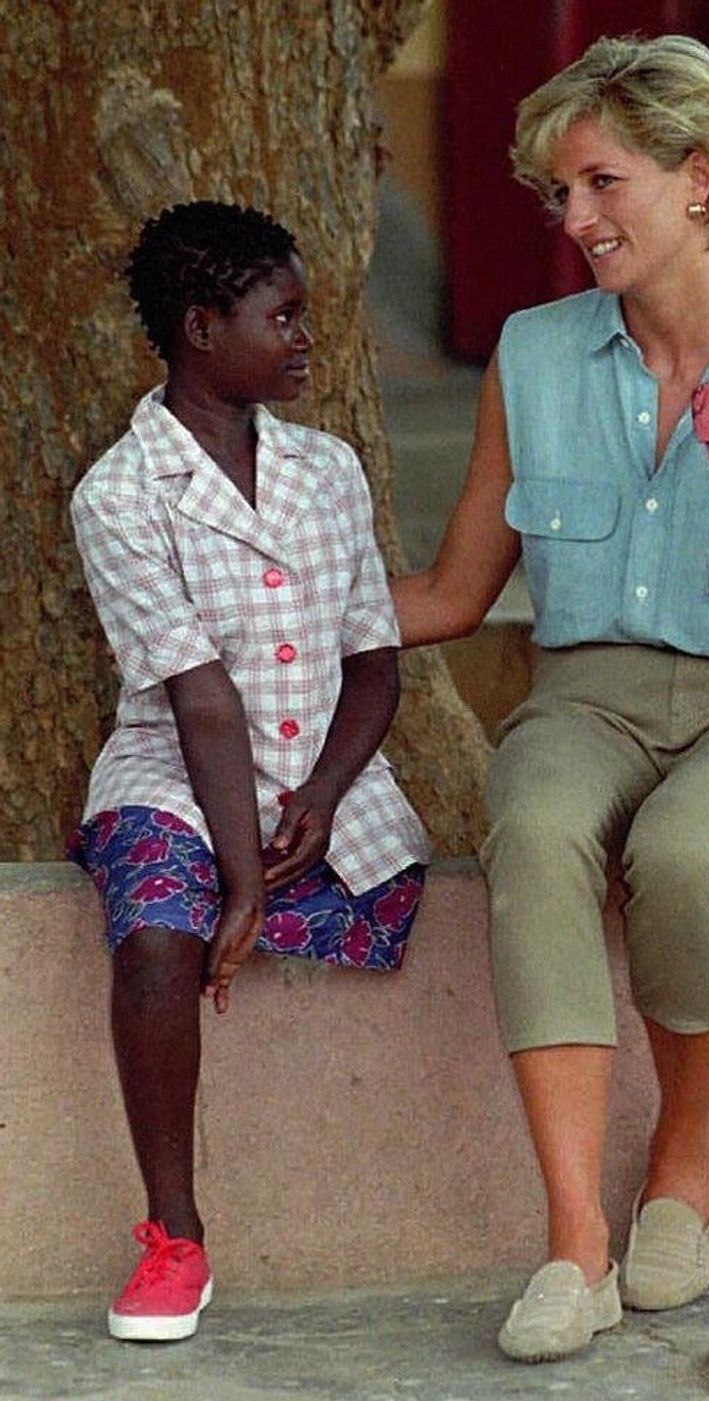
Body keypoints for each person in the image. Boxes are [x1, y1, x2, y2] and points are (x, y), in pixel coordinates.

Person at [392, 34, 709, 1364]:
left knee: (687, 852)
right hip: (586, 693)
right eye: (558, 192)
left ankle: (684, 1158)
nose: (573, 219)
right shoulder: (533, 356)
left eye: (599, 184)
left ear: (696, 179)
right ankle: (575, 1244)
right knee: (536, 822)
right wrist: (271, 614)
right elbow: (454, 591)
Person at [68, 201, 430, 1343]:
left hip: (320, 774)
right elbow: (202, 700)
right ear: (200, 328)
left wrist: (323, 792)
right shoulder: (120, 496)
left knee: (384, 890)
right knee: (156, 935)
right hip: (179, 775)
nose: (306, 337)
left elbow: (374, 662)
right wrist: (238, 881)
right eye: (282, 316)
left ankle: (260, 878)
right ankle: (175, 1237)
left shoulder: (328, 470)